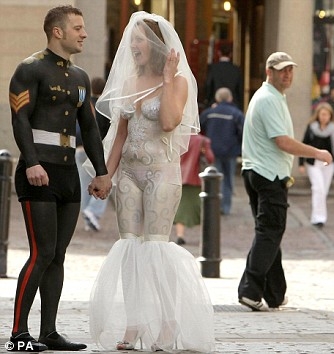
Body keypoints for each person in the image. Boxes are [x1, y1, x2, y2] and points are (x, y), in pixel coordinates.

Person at [88, 11, 214, 352]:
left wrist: (171, 78)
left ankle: (169, 325)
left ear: (156, 44)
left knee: (156, 246)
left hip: (162, 173)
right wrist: (106, 175)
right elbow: (119, 136)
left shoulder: (179, 81)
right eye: (132, 38)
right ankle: (134, 325)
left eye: (139, 38)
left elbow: (172, 122)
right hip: (127, 172)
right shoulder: (128, 85)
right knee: (129, 246)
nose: (132, 44)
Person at [8, 5, 112, 352]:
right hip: (39, 171)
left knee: (59, 255)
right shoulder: (30, 68)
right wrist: (31, 162)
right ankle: (19, 334)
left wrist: (101, 172)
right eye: (78, 28)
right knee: (42, 251)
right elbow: (20, 119)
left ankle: (49, 332)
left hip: (68, 172)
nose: (84, 33)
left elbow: (91, 129)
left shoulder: (81, 77)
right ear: (57, 31)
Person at [238, 52, 333, 312]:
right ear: (269, 72)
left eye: (290, 70)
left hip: (263, 172)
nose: (287, 74)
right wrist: (317, 152)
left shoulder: (273, 97)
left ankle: (275, 293)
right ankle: (249, 289)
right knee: (269, 232)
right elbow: (282, 141)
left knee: (271, 232)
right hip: (267, 175)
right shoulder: (268, 99)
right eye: (281, 70)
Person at [298, 102, 334, 228]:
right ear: (318, 115)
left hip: (327, 164)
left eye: (327, 115)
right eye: (322, 114)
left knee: (323, 191)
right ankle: (318, 218)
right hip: (313, 162)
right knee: (318, 188)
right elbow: (304, 144)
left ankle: (317, 215)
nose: (324, 117)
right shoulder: (311, 128)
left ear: (330, 116)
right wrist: (301, 163)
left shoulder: (333, 129)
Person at [200, 87, 244, 215]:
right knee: (228, 179)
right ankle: (226, 207)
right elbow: (243, 131)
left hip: (213, 150)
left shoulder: (209, 113)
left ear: (217, 98)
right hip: (230, 151)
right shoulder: (236, 114)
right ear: (230, 98)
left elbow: (199, 126)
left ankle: (214, 206)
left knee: (214, 178)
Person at [76, 77, 110, 231]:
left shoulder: (84, 103)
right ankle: (93, 211)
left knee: (85, 185)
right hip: (97, 150)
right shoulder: (105, 107)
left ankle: (87, 215)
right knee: (105, 181)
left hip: (80, 149)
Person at [173, 134, 215, 245]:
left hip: (179, 176)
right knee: (202, 209)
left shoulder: (178, 138)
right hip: (196, 179)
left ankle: (180, 235)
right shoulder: (203, 140)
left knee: (181, 208)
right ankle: (206, 236)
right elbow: (210, 158)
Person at [205, 43, 243, 109]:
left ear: (219, 53)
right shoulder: (236, 69)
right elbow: (240, 89)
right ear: (231, 54)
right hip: (233, 104)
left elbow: (208, 84)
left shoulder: (213, 68)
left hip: (215, 103)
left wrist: (207, 100)